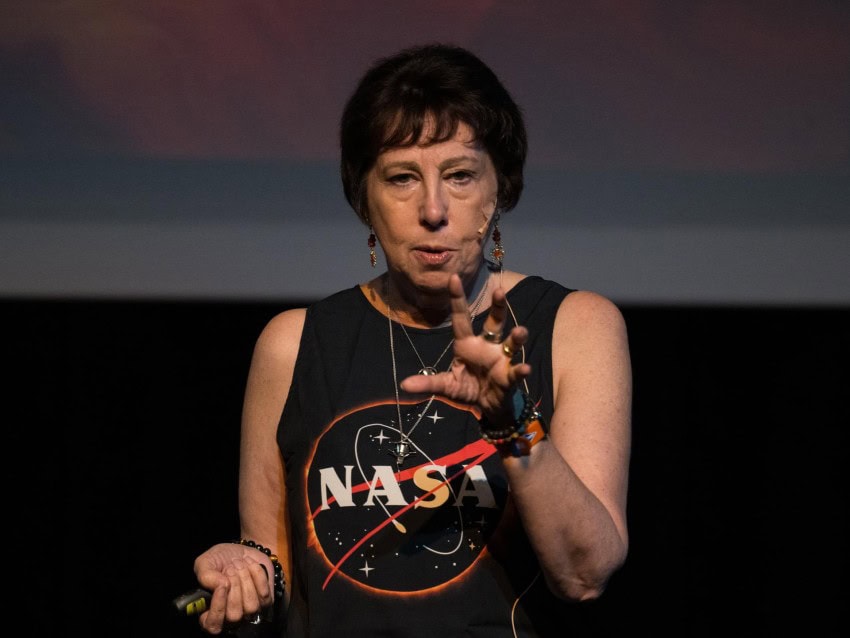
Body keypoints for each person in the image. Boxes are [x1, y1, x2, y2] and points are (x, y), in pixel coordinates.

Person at [189, 43, 631, 637]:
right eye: (401, 178)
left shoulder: (575, 326)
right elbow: (276, 570)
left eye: (460, 175)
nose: (432, 209)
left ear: (499, 190)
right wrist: (248, 572)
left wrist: (514, 426)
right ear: (363, 200)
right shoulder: (293, 345)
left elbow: (585, 575)